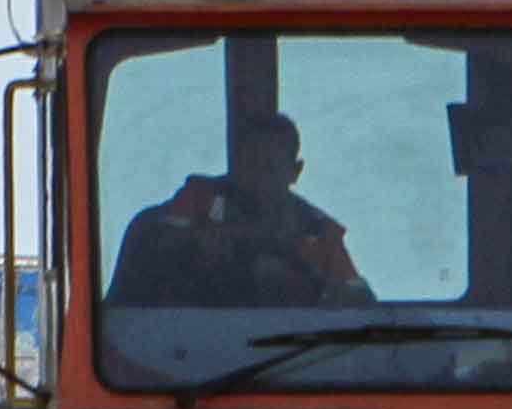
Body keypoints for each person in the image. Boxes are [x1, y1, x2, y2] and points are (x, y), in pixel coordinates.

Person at [108, 112, 372, 312]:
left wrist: (310, 286)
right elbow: (155, 248)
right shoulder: (201, 199)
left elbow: (361, 301)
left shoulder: (318, 231)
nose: (256, 176)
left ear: (295, 171)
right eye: (248, 163)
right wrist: (199, 247)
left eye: (269, 166)